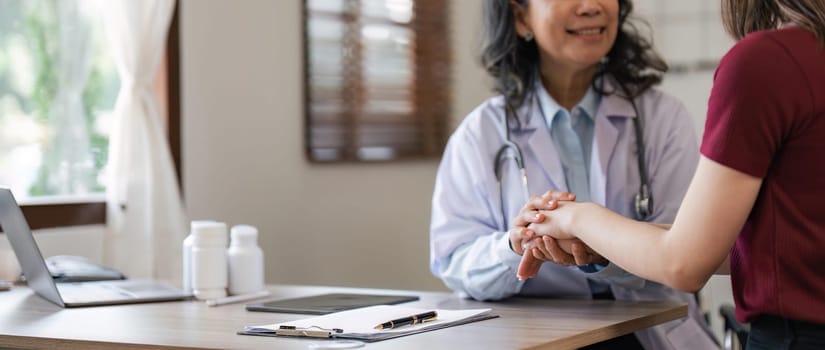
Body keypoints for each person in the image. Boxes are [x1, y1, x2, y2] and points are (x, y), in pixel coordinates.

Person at [517, 1, 825, 349]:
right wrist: (600, 243)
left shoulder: (765, 63)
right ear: (519, 17)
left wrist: (577, 218)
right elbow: (761, 243)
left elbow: (684, 263)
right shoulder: (482, 129)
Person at [429, 0, 716, 348]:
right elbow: (455, 264)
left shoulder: (662, 119)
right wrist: (513, 245)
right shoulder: (481, 133)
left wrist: (603, 249)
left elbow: (687, 251)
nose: (591, 6)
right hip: (536, 338)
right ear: (521, 17)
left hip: (647, 333)